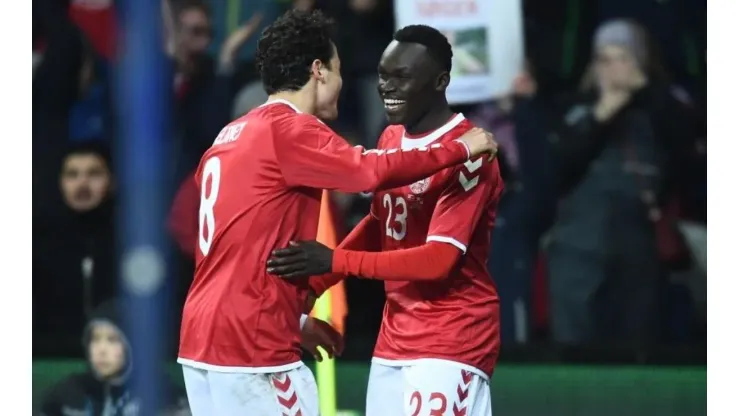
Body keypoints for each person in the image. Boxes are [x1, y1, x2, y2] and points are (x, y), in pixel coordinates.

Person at [176, 10, 497, 416]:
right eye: (339, 69)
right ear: (319, 71)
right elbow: (369, 172)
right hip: (253, 344)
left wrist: (298, 313)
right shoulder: (290, 130)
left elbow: (239, 255)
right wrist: (460, 148)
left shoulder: (230, 136)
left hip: (202, 339)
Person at [267, 24, 504, 416]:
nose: (386, 87)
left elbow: (439, 260)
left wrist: (335, 261)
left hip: (453, 338)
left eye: (402, 77)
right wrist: (319, 284)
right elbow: (381, 223)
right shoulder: (392, 137)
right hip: (394, 336)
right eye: (383, 75)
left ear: (440, 81)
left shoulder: (473, 152)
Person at [40, 299, 189, 416]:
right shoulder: (68, 394)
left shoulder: (161, 394)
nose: (101, 350)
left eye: (112, 339)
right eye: (95, 339)